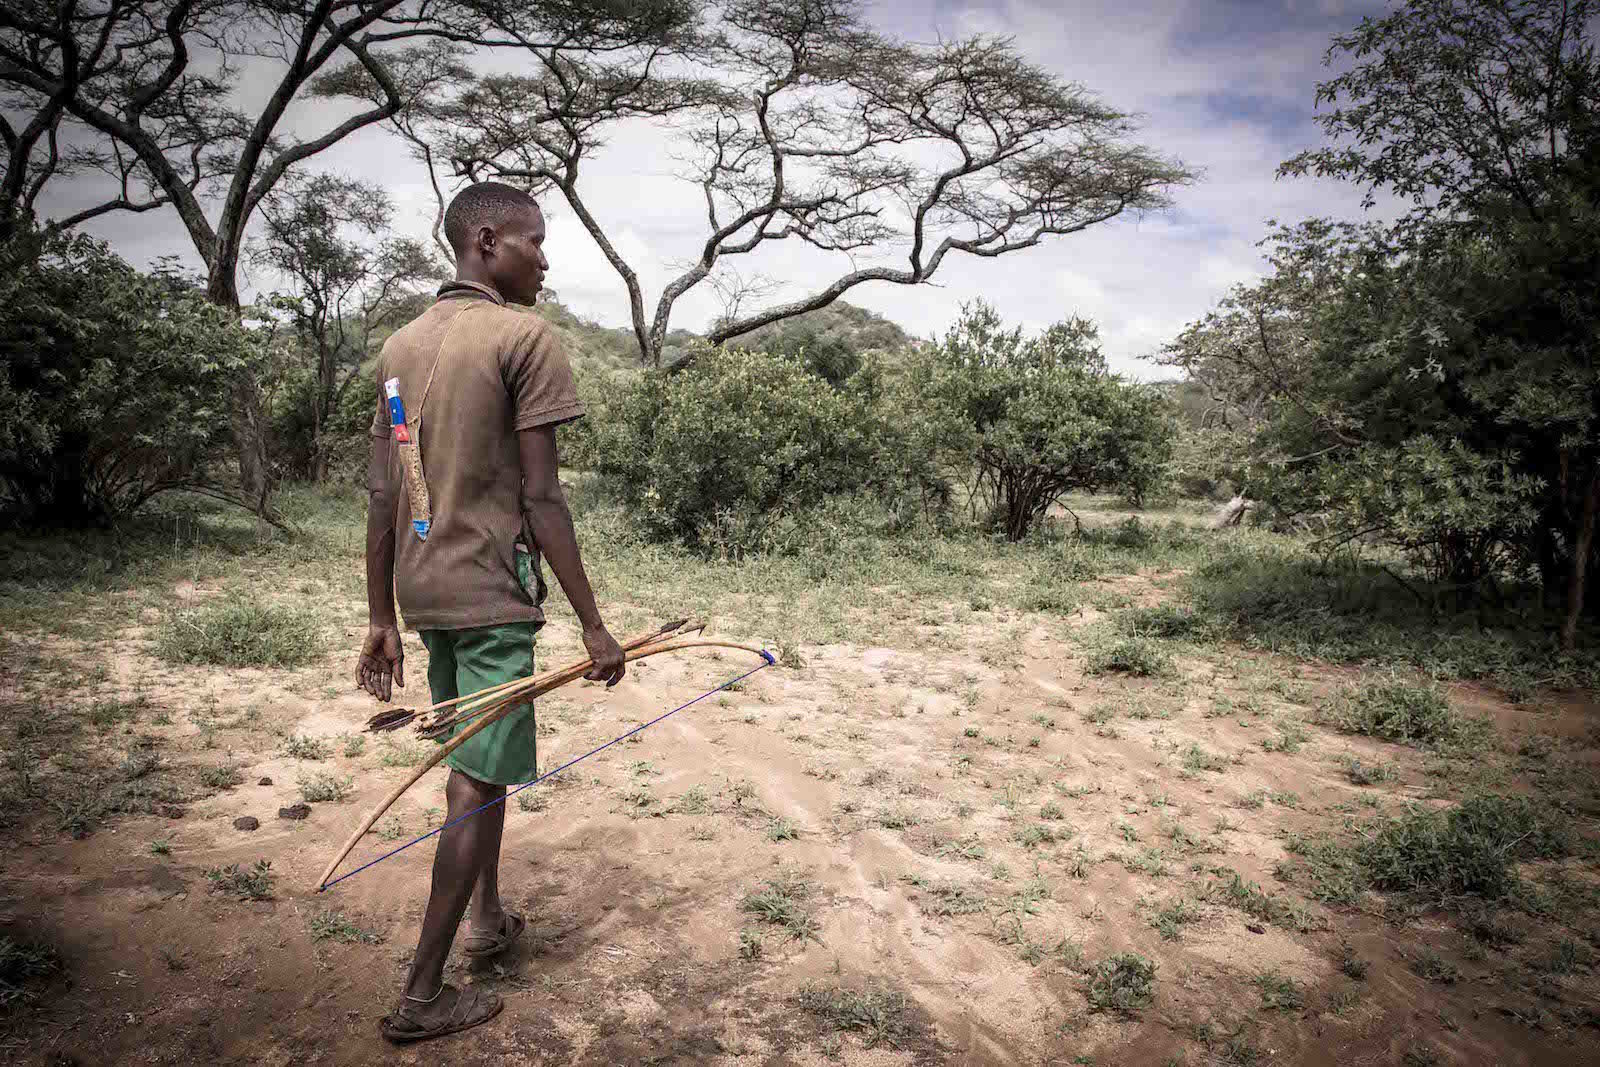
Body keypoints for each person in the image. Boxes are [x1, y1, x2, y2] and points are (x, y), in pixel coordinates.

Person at [355, 181, 626, 1044]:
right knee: (474, 780)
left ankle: (488, 919)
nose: (544, 258)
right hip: (492, 598)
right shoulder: (523, 335)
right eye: (533, 241)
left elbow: (384, 492)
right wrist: (592, 622)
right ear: (484, 242)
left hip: (426, 594)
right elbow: (543, 497)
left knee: (483, 759)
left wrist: (381, 616)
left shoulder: (400, 346)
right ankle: (424, 994)